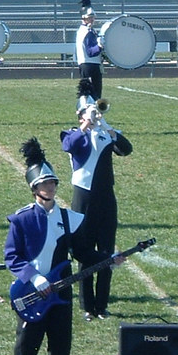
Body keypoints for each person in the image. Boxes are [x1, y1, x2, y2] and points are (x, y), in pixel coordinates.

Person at [2, 138, 119, 355]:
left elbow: (83, 253)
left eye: (53, 183)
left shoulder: (69, 218)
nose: (51, 187)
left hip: (61, 292)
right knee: (25, 348)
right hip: (32, 292)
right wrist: (34, 277)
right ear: (35, 188)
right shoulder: (21, 219)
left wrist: (109, 259)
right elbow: (12, 256)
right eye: (45, 183)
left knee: (60, 346)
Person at [61, 79, 132, 320]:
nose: (92, 114)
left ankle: (102, 305)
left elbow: (126, 149)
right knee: (85, 251)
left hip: (106, 199)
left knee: (106, 252)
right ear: (79, 114)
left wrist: (108, 127)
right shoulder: (73, 134)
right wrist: (86, 125)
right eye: (86, 111)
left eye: (94, 110)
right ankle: (86, 305)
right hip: (83, 199)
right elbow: (68, 146)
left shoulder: (106, 134)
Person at [75, 0, 103, 99]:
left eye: (93, 17)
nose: (92, 20)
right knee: (93, 95)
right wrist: (100, 46)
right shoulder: (87, 31)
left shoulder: (83, 30)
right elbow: (91, 52)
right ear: (84, 18)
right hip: (90, 65)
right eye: (90, 17)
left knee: (87, 94)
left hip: (87, 65)